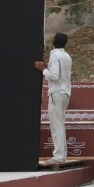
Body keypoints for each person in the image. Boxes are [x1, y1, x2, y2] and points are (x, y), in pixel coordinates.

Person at [35, 32, 72, 165]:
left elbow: (55, 76)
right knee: (60, 125)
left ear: (54, 41)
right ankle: (61, 156)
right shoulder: (67, 56)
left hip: (57, 92)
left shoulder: (55, 55)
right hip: (65, 92)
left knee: (56, 126)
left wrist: (43, 69)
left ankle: (58, 156)